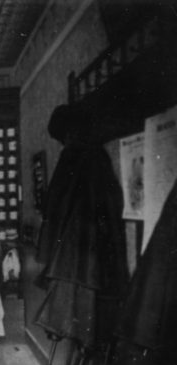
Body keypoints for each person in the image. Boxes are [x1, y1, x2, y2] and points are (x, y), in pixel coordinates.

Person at [35, 104, 128, 349]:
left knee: (74, 316)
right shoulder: (100, 156)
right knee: (94, 319)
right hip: (100, 252)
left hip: (73, 252)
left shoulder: (72, 155)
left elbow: (54, 205)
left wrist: (47, 249)